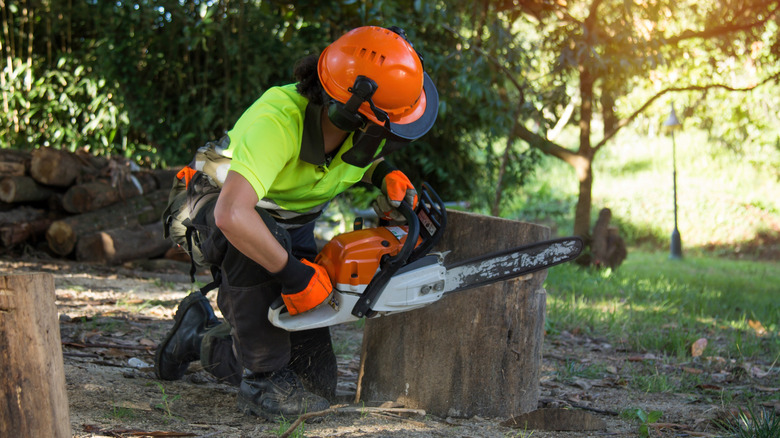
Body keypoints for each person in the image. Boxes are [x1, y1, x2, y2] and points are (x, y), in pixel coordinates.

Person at [153, 25, 438, 420]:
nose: (388, 133)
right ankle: (260, 380)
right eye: (386, 121)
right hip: (209, 212)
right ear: (351, 110)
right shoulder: (278, 121)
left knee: (312, 382)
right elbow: (233, 214)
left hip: (285, 229)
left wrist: (384, 173)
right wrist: (293, 274)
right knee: (255, 245)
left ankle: (197, 337)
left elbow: (358, 160)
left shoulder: (354, 128)